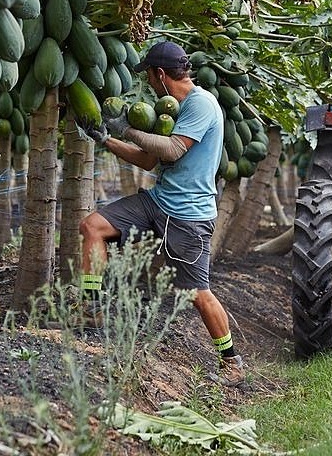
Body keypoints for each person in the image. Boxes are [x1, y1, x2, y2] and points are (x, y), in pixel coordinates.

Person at [78, 40, 245, 387]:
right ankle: (91, 308)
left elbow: (171, 149)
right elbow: (149, 159)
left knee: (198, 293)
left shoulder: (201, 104)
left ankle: (231, 361)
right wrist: (106, 138)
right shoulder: (170, 110)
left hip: (189, 215)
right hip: (158, 201)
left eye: (151, 79)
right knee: (93, 226)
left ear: (160, 74)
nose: (150, 86)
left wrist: (127, 128)